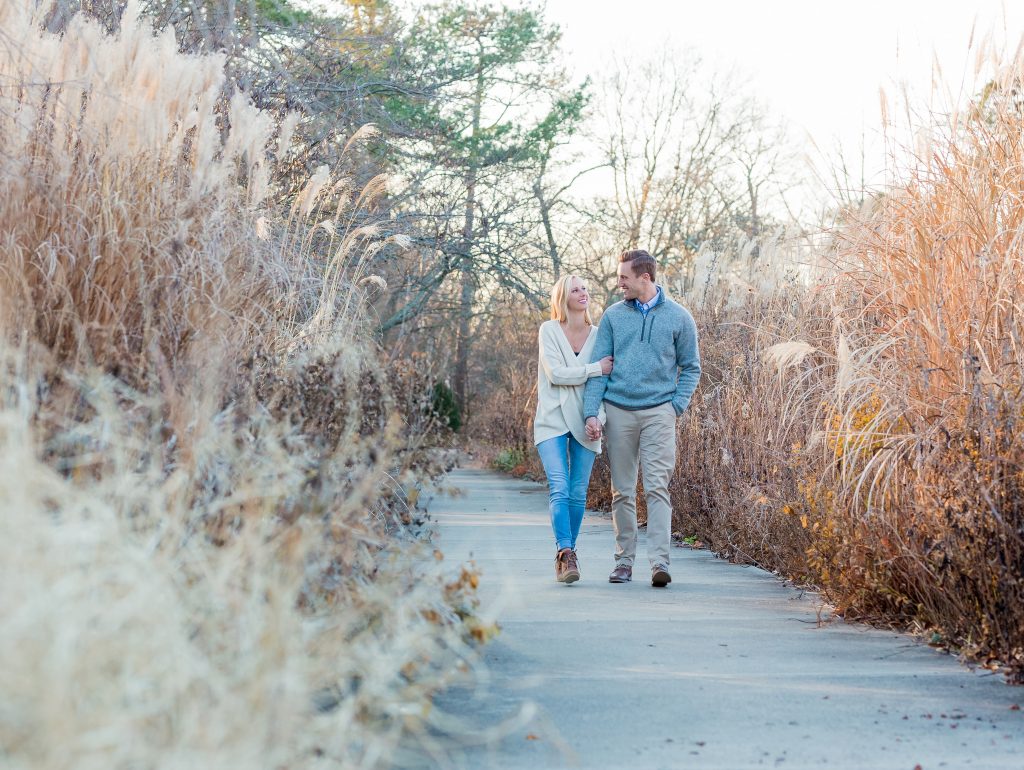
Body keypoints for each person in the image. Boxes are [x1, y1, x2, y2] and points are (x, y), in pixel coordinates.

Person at [583, 249, 701, 587]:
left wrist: (675, 406)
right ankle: (623, 563)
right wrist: (592, 412)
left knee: (657, 488)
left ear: (644, 278)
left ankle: (660, 564)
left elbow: (691, 367)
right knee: (621, 490)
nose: (619, 283)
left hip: (659, 413)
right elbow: (599, 369)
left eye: (624, 277)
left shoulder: (679, 317)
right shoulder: (613, 316)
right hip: (619, 411)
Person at [534, 274, 613, 584]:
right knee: (559, 486)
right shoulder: (549, 330)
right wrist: (596, 367)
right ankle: (565, 552)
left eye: (585, 289)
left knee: (578, 492)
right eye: (576, 289)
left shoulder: (598, 335)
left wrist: (599, 419)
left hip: (586, 420)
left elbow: (602, 385)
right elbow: (556, 374)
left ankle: (570, 554)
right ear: (562, 297)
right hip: (552, 418)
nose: (583, 293)